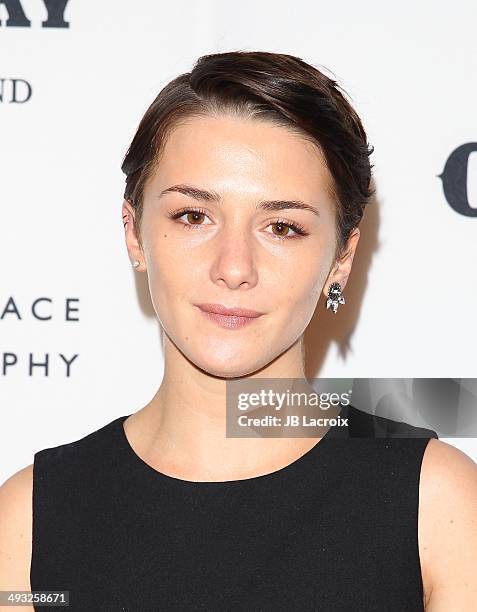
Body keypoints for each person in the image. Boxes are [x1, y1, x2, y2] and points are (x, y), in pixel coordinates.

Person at [1, 50, 476, 611]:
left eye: (282, 226)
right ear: (133, 232)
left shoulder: (436, 502)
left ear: (342, 257)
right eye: (193, 216)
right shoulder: (33, 516)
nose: (234, 267)